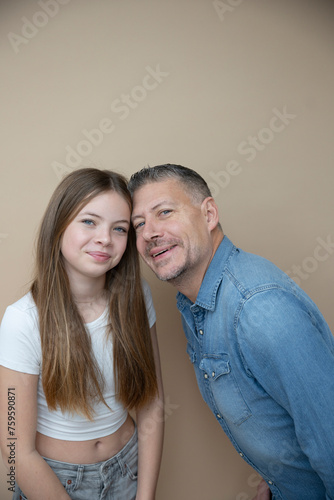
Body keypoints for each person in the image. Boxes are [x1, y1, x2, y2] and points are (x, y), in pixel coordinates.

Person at [128, 164, 334, 500]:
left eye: (164, 212)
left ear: (208, 214)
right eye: (139, 224)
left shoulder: (259, 311)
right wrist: (278, 478)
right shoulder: (197, 300)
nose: (149, 232)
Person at [0, 168, 164, 500]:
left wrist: (145, 496)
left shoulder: (136, 297)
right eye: (89, 221)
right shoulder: (22, 320)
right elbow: (14, 447)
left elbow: (152, 403)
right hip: (54, 481)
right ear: (58, 226)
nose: (105, 238)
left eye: (119, 228)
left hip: (128, 468)